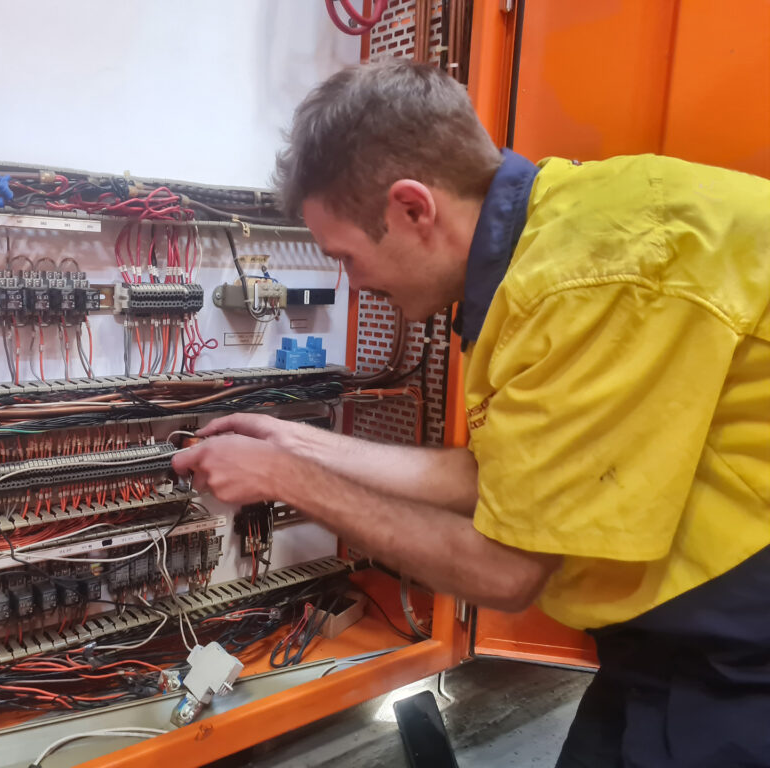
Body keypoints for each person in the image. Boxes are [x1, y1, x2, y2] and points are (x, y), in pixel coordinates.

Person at [171, 60, 770, 766]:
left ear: (412, 209)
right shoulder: (556, 242)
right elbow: (503, 478)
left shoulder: (591, 279)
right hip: (673, 647)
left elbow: (505, 574)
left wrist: (287, 479)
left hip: (743, 655)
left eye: (347, 256)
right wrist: (300, 445)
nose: (352, 282)